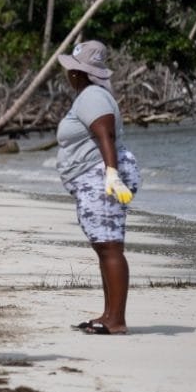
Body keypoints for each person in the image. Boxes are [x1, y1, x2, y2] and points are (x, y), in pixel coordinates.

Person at [56, 40, 140, 336]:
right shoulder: (90, 95)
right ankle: (109, 314)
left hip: (101, 177)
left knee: (109, 246)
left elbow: (104, 134)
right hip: (95, 177)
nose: (68, 75)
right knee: (104, 246)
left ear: (79, 73)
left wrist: (111, 175)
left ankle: (116, 319)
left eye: (71, 70)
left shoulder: (92, 96)